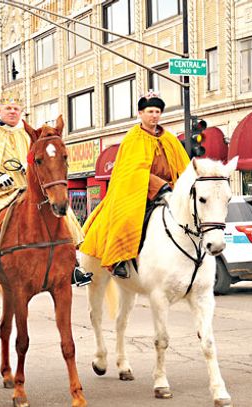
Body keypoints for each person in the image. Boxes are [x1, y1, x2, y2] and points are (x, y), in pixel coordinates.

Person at [0, 90, 91, 296]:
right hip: (2, 194)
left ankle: (72, 263)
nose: (12, 112)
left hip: (29, 189)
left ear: (21, 111)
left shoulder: (31, 135)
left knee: (63, 211)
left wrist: (31, 165)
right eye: (8, 108)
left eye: (16, 108)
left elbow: (46, 160)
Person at [80, 91, 190, 278]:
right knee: (127, 217)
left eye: (157, 111)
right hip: (139, 190)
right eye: (150, 111)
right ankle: (119, 259)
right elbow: (132, 171)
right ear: (140, 113)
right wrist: (160, 188)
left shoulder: (169, 138)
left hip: (171, 189)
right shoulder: (133, 137)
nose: (154, 115)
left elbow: (184, 165)